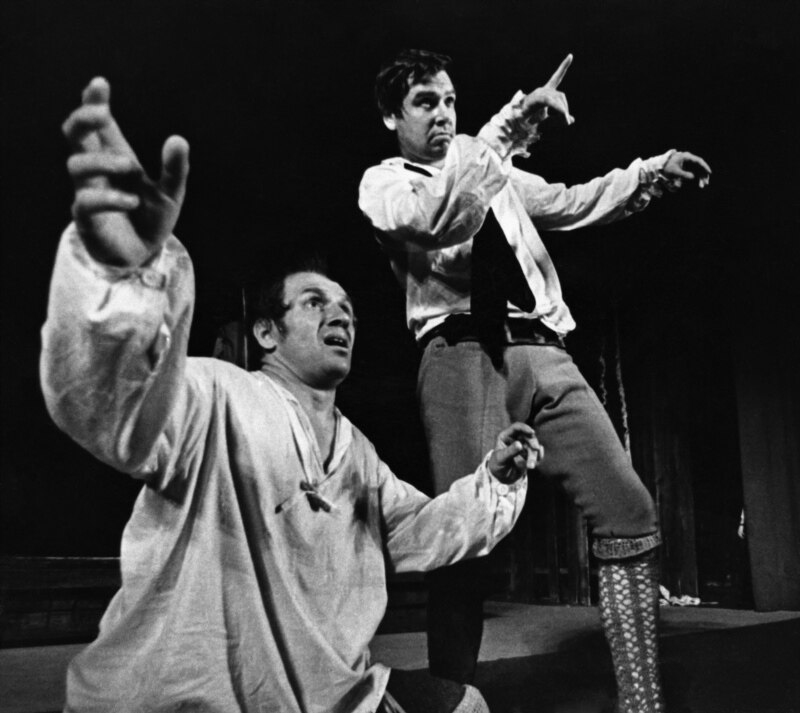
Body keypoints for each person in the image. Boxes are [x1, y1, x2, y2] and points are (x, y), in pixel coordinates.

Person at [41, 76, 546, 713]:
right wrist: (120, 283)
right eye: (313, 303)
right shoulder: (217, 396)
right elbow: (115, 409)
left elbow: (419, 532)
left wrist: (495, 480)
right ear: (266, 332)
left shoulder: (357, 454)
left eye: (347, 309)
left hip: (326, 694)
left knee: (464, 705)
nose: (340, 316)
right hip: (185, 697)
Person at [359, 49, 712, 713]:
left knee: (629, 510)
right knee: (464, 539)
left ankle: (642, 704)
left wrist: (649, 172)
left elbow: (572, 202)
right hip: (462, 352)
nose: (443, 114)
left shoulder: (493, 168)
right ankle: (452, 701)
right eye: (425, 102)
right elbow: (443, 217)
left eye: (449, 100)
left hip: (542, 346)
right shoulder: (386, 185)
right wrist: (506, 132)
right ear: (391, 117)